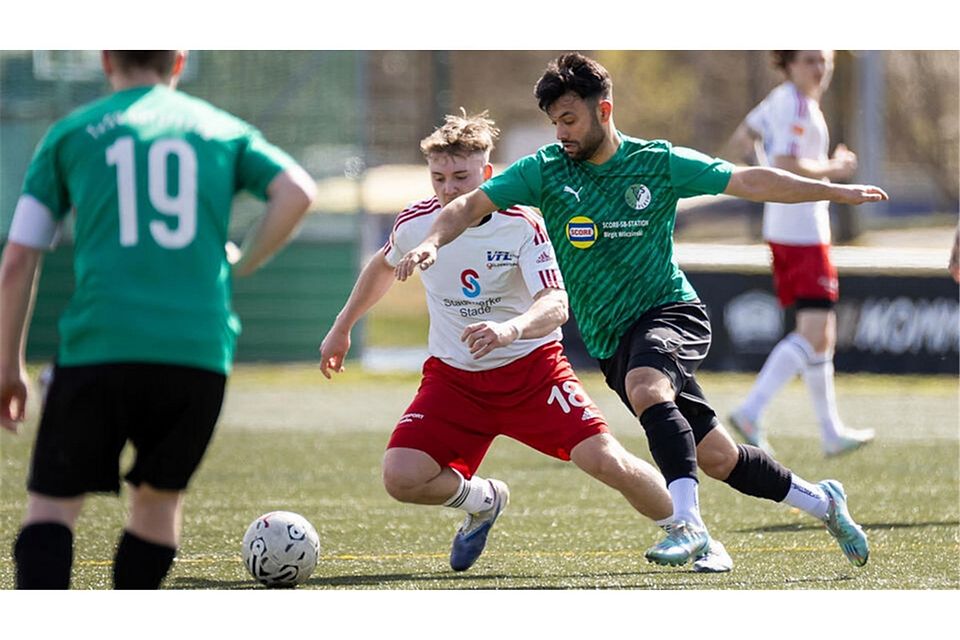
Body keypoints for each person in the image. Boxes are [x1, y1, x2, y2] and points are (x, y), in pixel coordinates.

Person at [395, 53, 887, 568]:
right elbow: (467, 206)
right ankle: (824, 501)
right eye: (554, 122)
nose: (560, 132)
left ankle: (689, 526)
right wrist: (431, 243)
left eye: (569, 120)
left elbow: (751, 181)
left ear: (602, 111)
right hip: (613, 341)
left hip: (670, 311)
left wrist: (834, 191)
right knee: (719, 457)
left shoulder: (657, 162)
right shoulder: (545, 171)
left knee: (648, 386)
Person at [319, 110, 734, 573]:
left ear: (488, 175)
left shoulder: (522, 223)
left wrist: (508, 329)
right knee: (401, 477)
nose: (449, 189)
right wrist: (342, 327)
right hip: (455, 380)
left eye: (461, 176)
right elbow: (381, 266)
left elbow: (556, 303)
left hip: (533, 374)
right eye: (439, 177)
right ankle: (484, 499)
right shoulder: (417, 224)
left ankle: (695, 535)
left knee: (607, 461)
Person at [0, 50, 316, 589]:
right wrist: (244, 258)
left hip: (99, 347)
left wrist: (8, 365)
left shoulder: (70, 134)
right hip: (197, 355)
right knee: (157, 504)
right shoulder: (222, 128)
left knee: (52, 508)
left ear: (105, 60)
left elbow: (18, 259)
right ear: (178, 60)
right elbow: (297, 192)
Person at [725, 50, 875, 457]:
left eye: (824, 60)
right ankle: (751, 410)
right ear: (789, 64)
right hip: (802, 230)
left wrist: (767, 188)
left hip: (789, 227)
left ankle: (830, 431)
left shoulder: (782, 99)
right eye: (810, 60)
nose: (819, 69)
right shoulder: (792, 102)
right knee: (814, 331)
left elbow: (743, 140)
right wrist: (834, 168)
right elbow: (786, 161)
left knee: (820, 335)